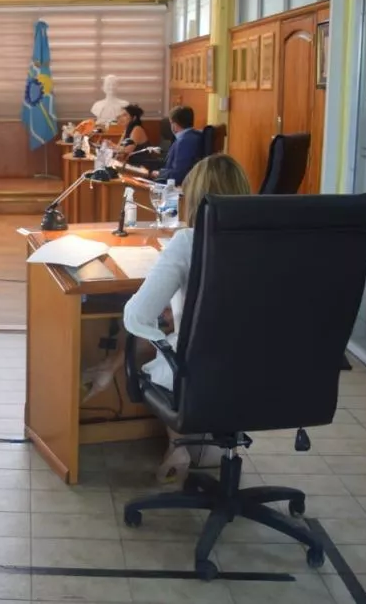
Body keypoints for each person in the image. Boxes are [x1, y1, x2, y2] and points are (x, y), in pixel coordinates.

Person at [123, 154, 252, 482]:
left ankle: (178, 445)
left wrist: (168, 325)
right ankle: (207, 449)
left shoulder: (188, 242)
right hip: (263, 372)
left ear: (195, 198)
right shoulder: (270, 243)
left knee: (154, 342)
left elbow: (137, 316)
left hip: (201, 373)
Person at [151, 106, 203, 186]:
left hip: (174, 186)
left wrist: (158, 173)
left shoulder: (184, 142)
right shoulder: (193, 135)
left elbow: (178, 174)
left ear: (174, 125)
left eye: (171, 123)